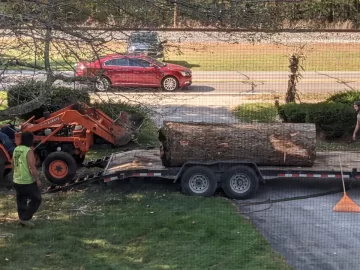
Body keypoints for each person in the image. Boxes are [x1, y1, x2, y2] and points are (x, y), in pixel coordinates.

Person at [11, 132, 42, 227]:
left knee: (21, 199)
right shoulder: (28, 151)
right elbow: (32, 167)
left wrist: (16, 173)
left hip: (17, 180)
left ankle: (22, 219)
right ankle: (25, 218)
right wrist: (37, 179)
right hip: (26, 180)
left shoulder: (16, 149)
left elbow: (12, 164)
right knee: (37, 198)